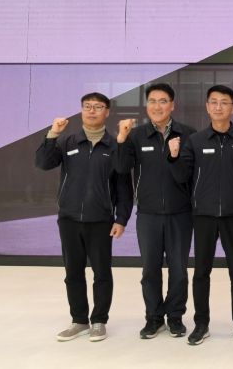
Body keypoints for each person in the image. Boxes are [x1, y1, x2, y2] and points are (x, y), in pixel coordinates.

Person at [35, 92, 133, 342]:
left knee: (102, 273)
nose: (91, 111)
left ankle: (99, 320)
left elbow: (124, 187)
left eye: (97, 107)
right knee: (73, 273)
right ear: (81, 110)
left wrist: (121, 218)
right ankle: (78, 320)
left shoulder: (114, 146)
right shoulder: (68, 142)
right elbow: (43, 163)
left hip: (101, 220)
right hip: (69, 219)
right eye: (87, 106)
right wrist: (52, 134)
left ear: (107, 112)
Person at [167, 85, 233, 346]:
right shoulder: (195, 141)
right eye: (214, 102)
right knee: (201, 272)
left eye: (224, 102)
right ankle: (201, 323)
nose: (219, 107)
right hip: (204, 216)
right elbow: (182, 177)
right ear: (207, 107)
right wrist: (173, 156)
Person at [112, 83, 196, 339]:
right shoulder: (137, 136)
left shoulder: (188, 134)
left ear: (172, 105)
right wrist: (121, 138)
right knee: (150, 270)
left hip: (180, 214)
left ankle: (175, 316)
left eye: (162, 101)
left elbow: (190, 175)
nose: (157, 106)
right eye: (152, 101)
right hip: (148, 215)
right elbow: (121, 167)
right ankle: (154, 317)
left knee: (179, 270)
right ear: (146, 105)